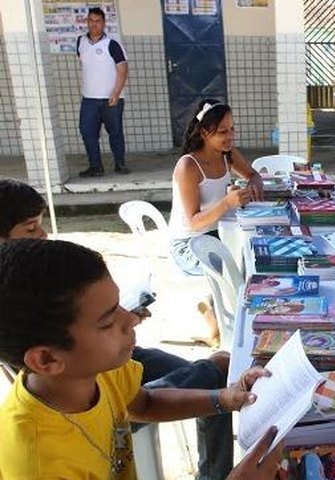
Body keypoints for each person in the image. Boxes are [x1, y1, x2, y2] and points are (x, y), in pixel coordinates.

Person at [0, 178, 237, 480]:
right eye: (108, 320)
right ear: (46, 360)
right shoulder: (39, 464)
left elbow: (145, 403)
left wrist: (224, 400)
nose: (131, 320)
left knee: (213, 371)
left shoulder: (100, 370)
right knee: (213, 367)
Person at [168, 99, 264, 277]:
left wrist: (255, 182)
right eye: (223, 132)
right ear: (204, 132)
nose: (230, 136)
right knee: (241, 266)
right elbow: (193, 222)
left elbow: (252, 175)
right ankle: (220, 302)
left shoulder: (226, 153)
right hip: (189, 244)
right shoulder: (188, 166)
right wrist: (226, 203)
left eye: (232, 129)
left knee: (260, 253)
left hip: (219, 233)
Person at [76, 7, 130, 177]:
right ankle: (95, 166)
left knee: (115, 132)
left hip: (111, 98)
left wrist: (116, 92)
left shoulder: (112, 44)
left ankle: (120, 164)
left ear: (104, 23)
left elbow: (123, 69)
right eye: (91, 20)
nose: (94, 24)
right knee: (87, 131)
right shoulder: (80, 42)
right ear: (87, 22)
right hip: (89, 99)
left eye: (98, 21)